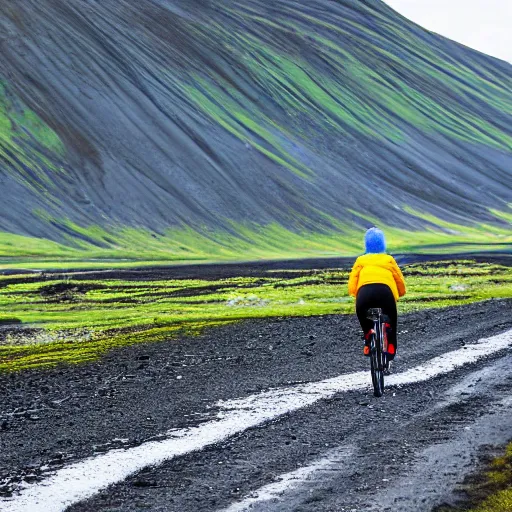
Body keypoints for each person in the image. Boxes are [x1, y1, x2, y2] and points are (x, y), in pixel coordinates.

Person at [348, 227, 406, 362]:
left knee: (362, 315)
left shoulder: (360, 260)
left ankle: (369, 337)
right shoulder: (388, 259)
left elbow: (352, 283)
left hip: (364, 293)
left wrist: (354, 293)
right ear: (383, 243)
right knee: (392, 318)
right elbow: (399, 279)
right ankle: (390, 345)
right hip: (385, 293)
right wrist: (401, 293)